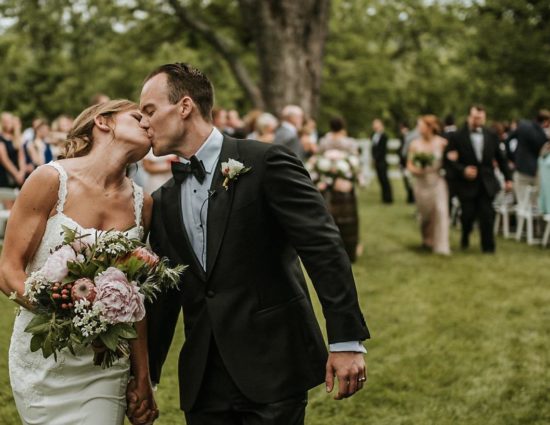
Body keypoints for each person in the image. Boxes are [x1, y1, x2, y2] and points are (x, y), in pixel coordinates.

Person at [139, 63, 369, 425]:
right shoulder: (165, 199)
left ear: (184, 106)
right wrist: (146, 376)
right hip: (204, 379)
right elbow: (167, 295)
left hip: (272, 363)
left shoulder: (266, 162)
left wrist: (346, 340)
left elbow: (322, 249)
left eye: (149, 110)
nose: (143, 122)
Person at [0, 100, 158, 425]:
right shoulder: (49, 180)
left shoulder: (144, 204)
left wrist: (142, 375)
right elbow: (8, 272)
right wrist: (72, 319)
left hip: (105, 362)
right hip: (44, 355)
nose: (148, 124)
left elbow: (134, 298)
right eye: (138, 116)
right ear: (103, 122)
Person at [445, 105, 513, 253]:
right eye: (475, 117)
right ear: (469, 117)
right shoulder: (457, 136)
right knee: (467, 214)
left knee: (487, 215)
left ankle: (488, 247)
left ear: (485, 118)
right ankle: (465, 234)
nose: (478, 120)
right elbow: (449, 160)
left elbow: (501, 159)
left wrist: (508, 178)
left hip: (486, 182)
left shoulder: (491, 135)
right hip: (466, 183)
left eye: (481, 117)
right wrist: (463, 170)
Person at [318, 116, 361, 262]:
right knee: (348, 218)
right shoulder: (349, 142)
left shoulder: (324, 141)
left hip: (328, 184)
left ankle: (329, 249)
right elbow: (355, 161)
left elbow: (318, 157)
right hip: (345, 183)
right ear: (343, 126)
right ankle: (350, 249)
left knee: (329, 216)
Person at [407, 115, 450, 255]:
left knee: (440, 210)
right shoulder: (415, 144)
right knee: (424, 215)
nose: (419, 129)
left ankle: (442, 246)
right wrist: (417, 170)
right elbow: (409, 165)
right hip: (420, 183)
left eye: (421, 126)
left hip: (437, 181)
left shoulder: (442, 143)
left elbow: (449, 163)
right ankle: (427, 239)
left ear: (430, 127)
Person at [506, 110, 550, 204]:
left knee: (522, 204)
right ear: (546, 121)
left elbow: (508, 140)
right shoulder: (543, 135)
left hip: (520, 168)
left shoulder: (523, 126)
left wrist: (512, 158)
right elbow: (544, 155)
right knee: (535, 204)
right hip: (536, 172)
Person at [0, 112, 25, 188]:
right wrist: (16, 174)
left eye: (10, 121)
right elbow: (4, 160)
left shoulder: (16, 138)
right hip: (5, 174)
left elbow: (21, 157)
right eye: (6, 121)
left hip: (18, 176)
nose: (8, 123)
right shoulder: (1, 138)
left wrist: (22, 172)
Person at [371, 118, 393, 203]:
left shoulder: (384, 136)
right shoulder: (374, 136)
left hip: (382, 161)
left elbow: (382, 150)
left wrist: (376, 158)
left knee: (385, 179)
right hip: (376, 161)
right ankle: (384, 198)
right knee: (380, 179)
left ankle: (388, 198)